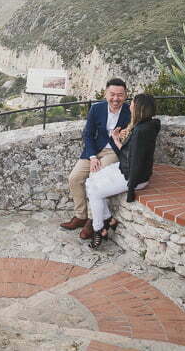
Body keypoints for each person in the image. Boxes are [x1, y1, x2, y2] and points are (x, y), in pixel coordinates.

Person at [84, 93, 160, 249]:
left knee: (96, 192)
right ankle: (109, 219)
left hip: (133, 176)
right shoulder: (146, 125)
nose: (130, 105)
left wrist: (131, 189)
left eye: (132, 103)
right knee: (90, 181)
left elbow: (134, 163)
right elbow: (128, 155)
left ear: (139, 108)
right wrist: (117, 139)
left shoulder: (140, 132)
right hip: (126, 169)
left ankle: (98, 229)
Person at [60, 77, 131, 240]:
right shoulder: (96, 109)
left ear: (125, 95)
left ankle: (92, 221)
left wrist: (121, 140)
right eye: (112, 94)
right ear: (106, 94)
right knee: (74, 178)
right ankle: (80, 215)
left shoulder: (129, 111)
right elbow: (88, 134)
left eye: (120, 95)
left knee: (95, 177)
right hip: (93, 152)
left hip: (113, 152)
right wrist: (92, 156)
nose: (115, 99)